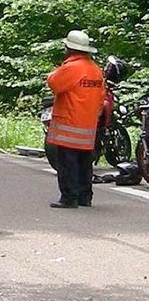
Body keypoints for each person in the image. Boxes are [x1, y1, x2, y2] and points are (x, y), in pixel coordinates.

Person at [47, 30, 105, 208]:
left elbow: (54, 83)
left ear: (70, 48)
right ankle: (85, 197)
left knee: (67, 164)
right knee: (85, 164)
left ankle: (69, 197)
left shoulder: (71, 68)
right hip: (88, 127)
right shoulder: (95, 70)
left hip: (69, 126)